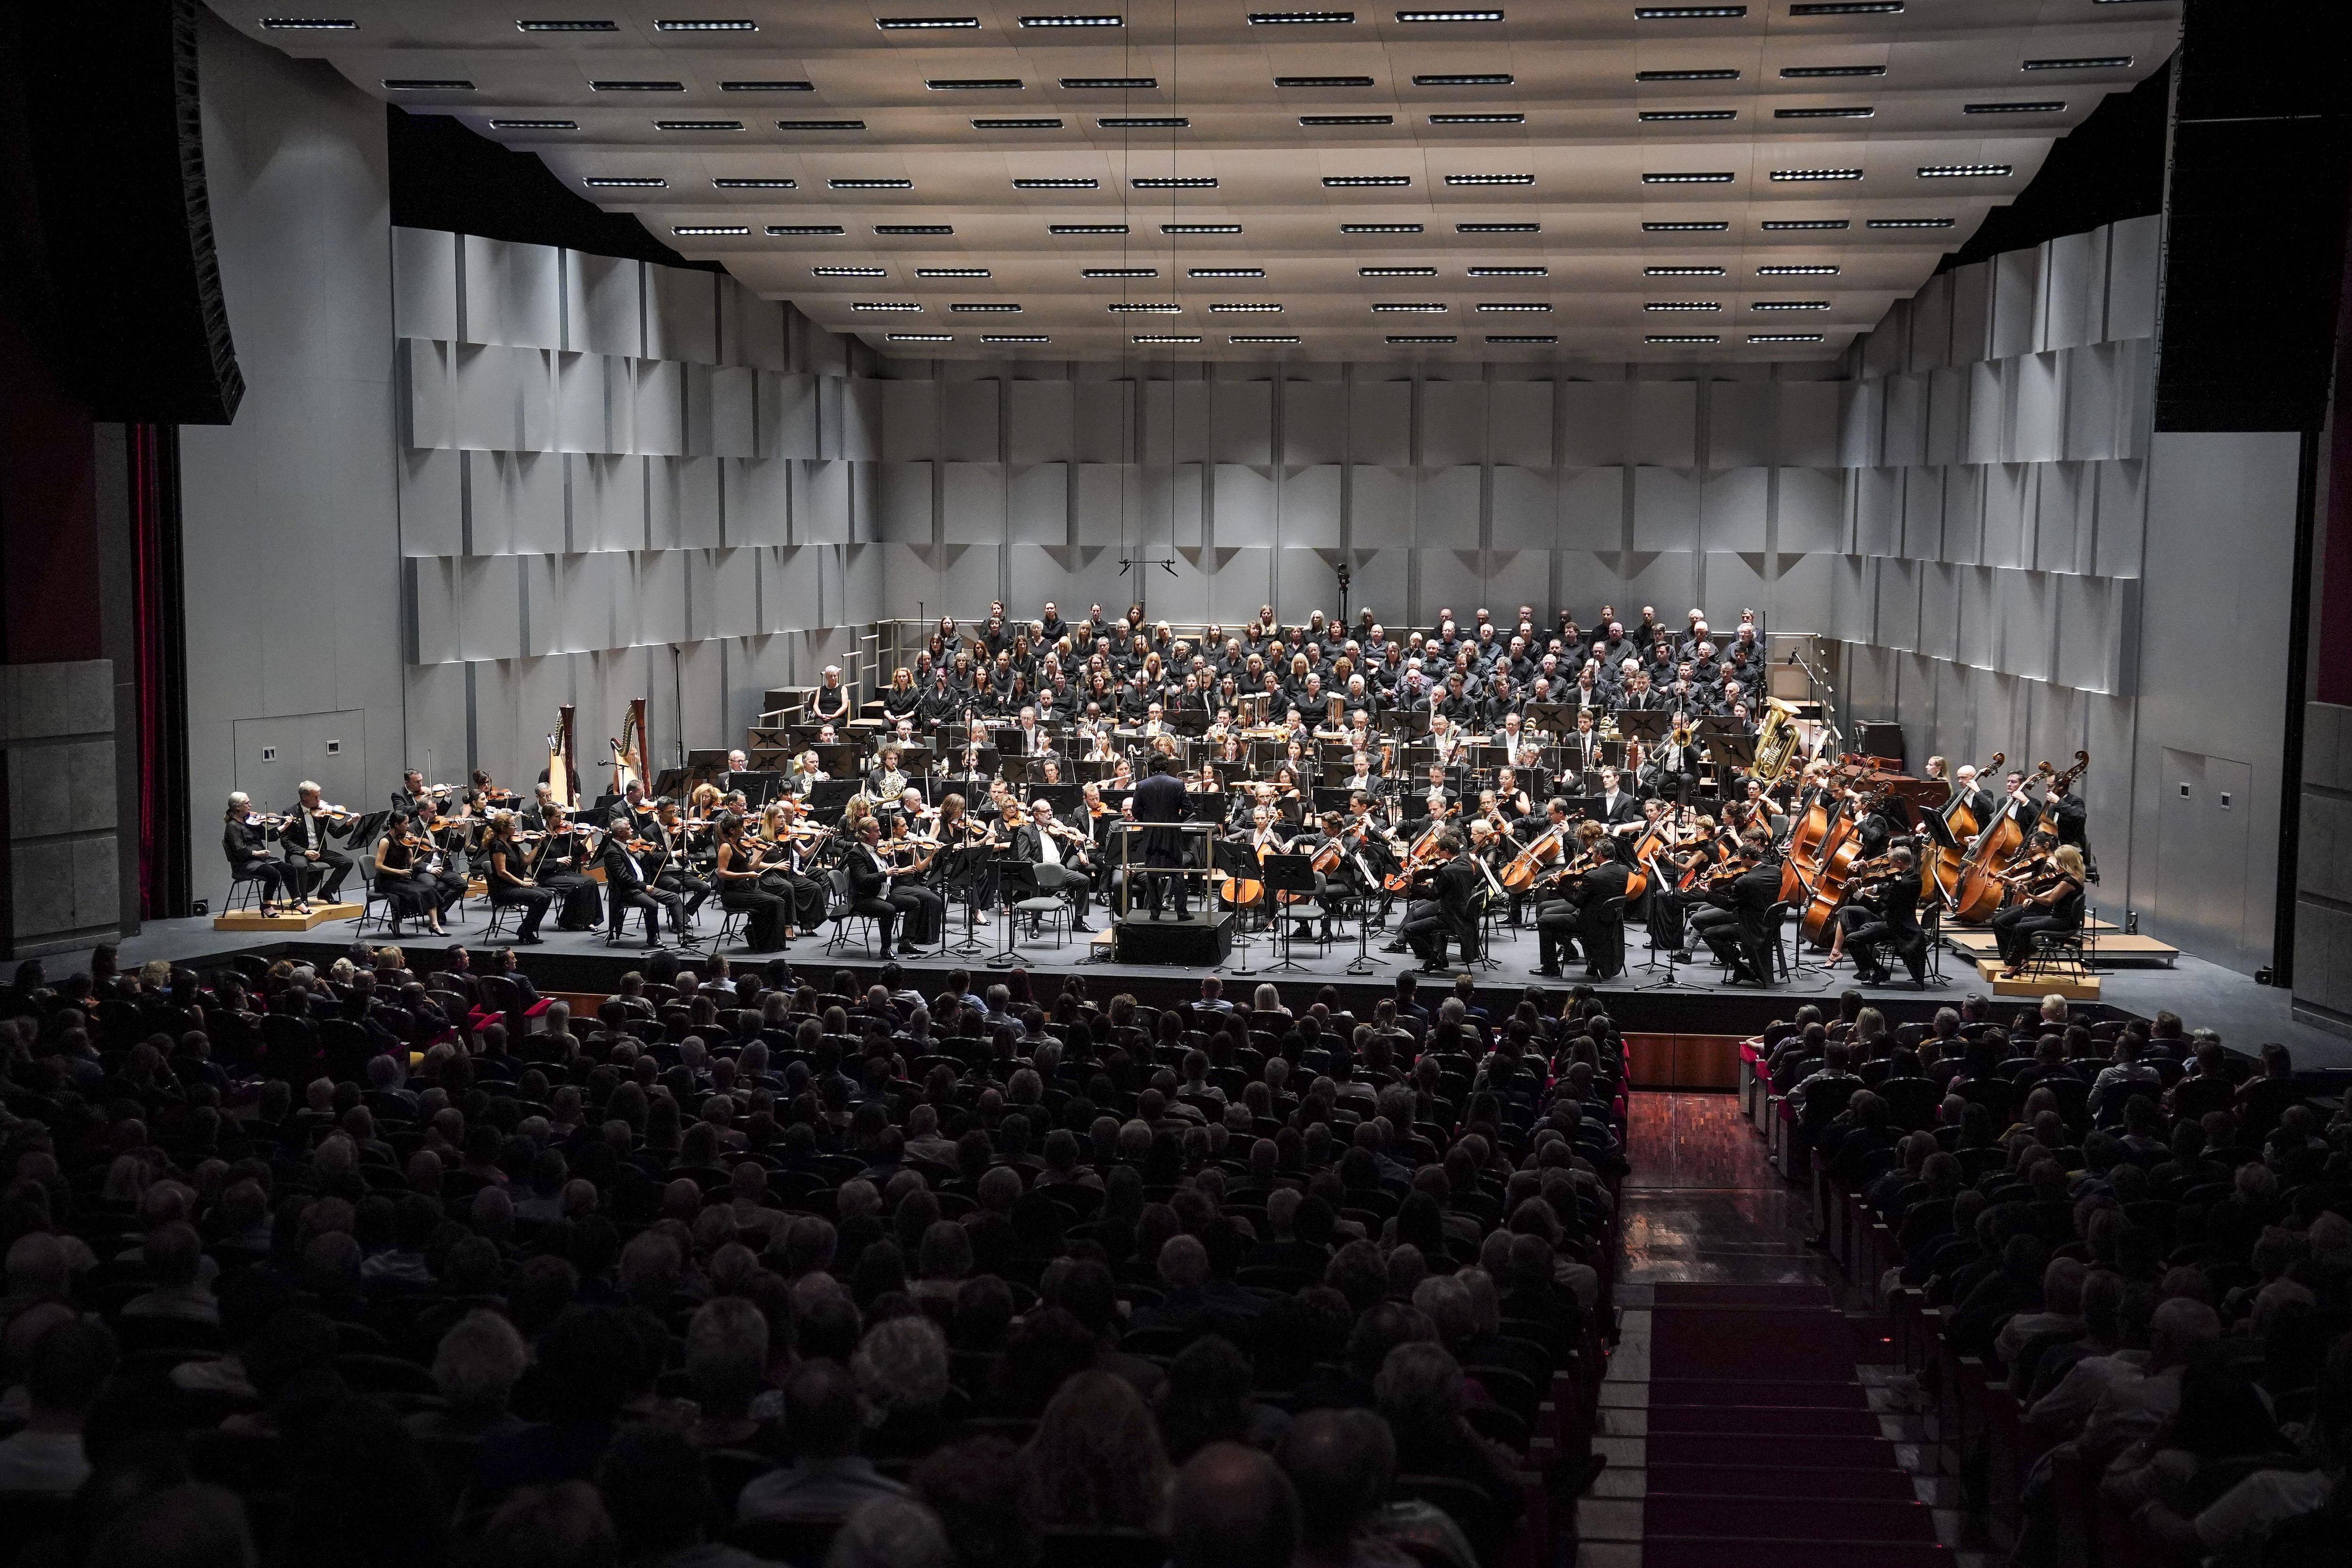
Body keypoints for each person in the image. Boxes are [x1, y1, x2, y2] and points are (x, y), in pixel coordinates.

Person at [1992, 844, 2087, 975]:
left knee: (2022, 927)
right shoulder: (2077, 877)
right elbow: (2054, 891)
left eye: (2059, 861)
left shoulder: (2068, 882)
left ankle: (2015, 965)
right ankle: (2022, 958)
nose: (2058, 863)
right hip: (2062, 918)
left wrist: (2030, 895)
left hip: (2062, 922)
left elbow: (2049, 902)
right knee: (2024, 921)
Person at [1397, 833, 1481, 972]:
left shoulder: (1448, 871)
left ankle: (1433, 959)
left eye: (1440, 852)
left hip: (1449, 917)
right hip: (1463, 914)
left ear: (1447, 852)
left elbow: (1432, 895)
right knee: (1420, 915)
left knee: (1409, 929)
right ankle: (1439, 957)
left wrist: (1412, 884)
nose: (1438, 855)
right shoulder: (1466, 861)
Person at [1843, 845, 1925, 986]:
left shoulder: (1901, 883)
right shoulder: (1913, 876)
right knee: (1864, 927)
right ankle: (1866, 971)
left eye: (1891, 863)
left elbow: (1878, 907)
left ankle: (1879, 971)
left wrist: (1857, 892)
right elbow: (1890, 887)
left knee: (1852, 939)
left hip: (1899, 929)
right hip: (1902, 922)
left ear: (1899, 863)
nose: (1888, 866)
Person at [713, 812, 790, 952]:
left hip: (745, 889)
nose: (744, 830)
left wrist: (764, 853)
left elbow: (750, 867)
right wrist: (746, 875)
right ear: (732, 831)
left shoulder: (739, 845)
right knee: (776, 902)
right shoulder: (726, 847)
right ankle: (769, 945)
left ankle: (769, 943)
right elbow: (722, 873)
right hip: (733, 894)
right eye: (741, 828)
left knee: (778, 901)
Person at [1133, 753, 1193, 919]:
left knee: (1152, 874)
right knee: (1177, 873)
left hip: (1151, 833)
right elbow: (1189, 810)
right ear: (1167, 766)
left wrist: (1148, 821)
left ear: (1151, 767)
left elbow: (1135, 811)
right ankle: (1182, 913)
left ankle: (1155, 913)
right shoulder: (1178, 784)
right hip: (1173, 833)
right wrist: (1176, 820)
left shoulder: (1142, 785)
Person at [279, 780, 356, 903]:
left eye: (319, 796)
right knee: (300, 866)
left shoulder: (322, 812)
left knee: (347, 862)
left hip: (320, 851)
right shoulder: (291, 813)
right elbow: (286, 842)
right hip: (300, 853)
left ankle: (326, 892)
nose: (319, 799)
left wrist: (349, 824)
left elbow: (336, 833)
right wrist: (305, 852)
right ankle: (302, 900)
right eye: (316, 797)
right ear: (305, 797)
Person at [485, 813, 553, 945]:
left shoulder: (512, 843)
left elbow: (527, 860)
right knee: (540, 897)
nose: (516, 827)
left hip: (515, 886)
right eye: (513, 825)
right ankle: (526, 931)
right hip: (504, 889)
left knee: (548, 895)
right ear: (504, 828)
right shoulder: (498, 845)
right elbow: (502, 872)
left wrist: (538, 845)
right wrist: (522, 882)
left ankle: (526, 929)